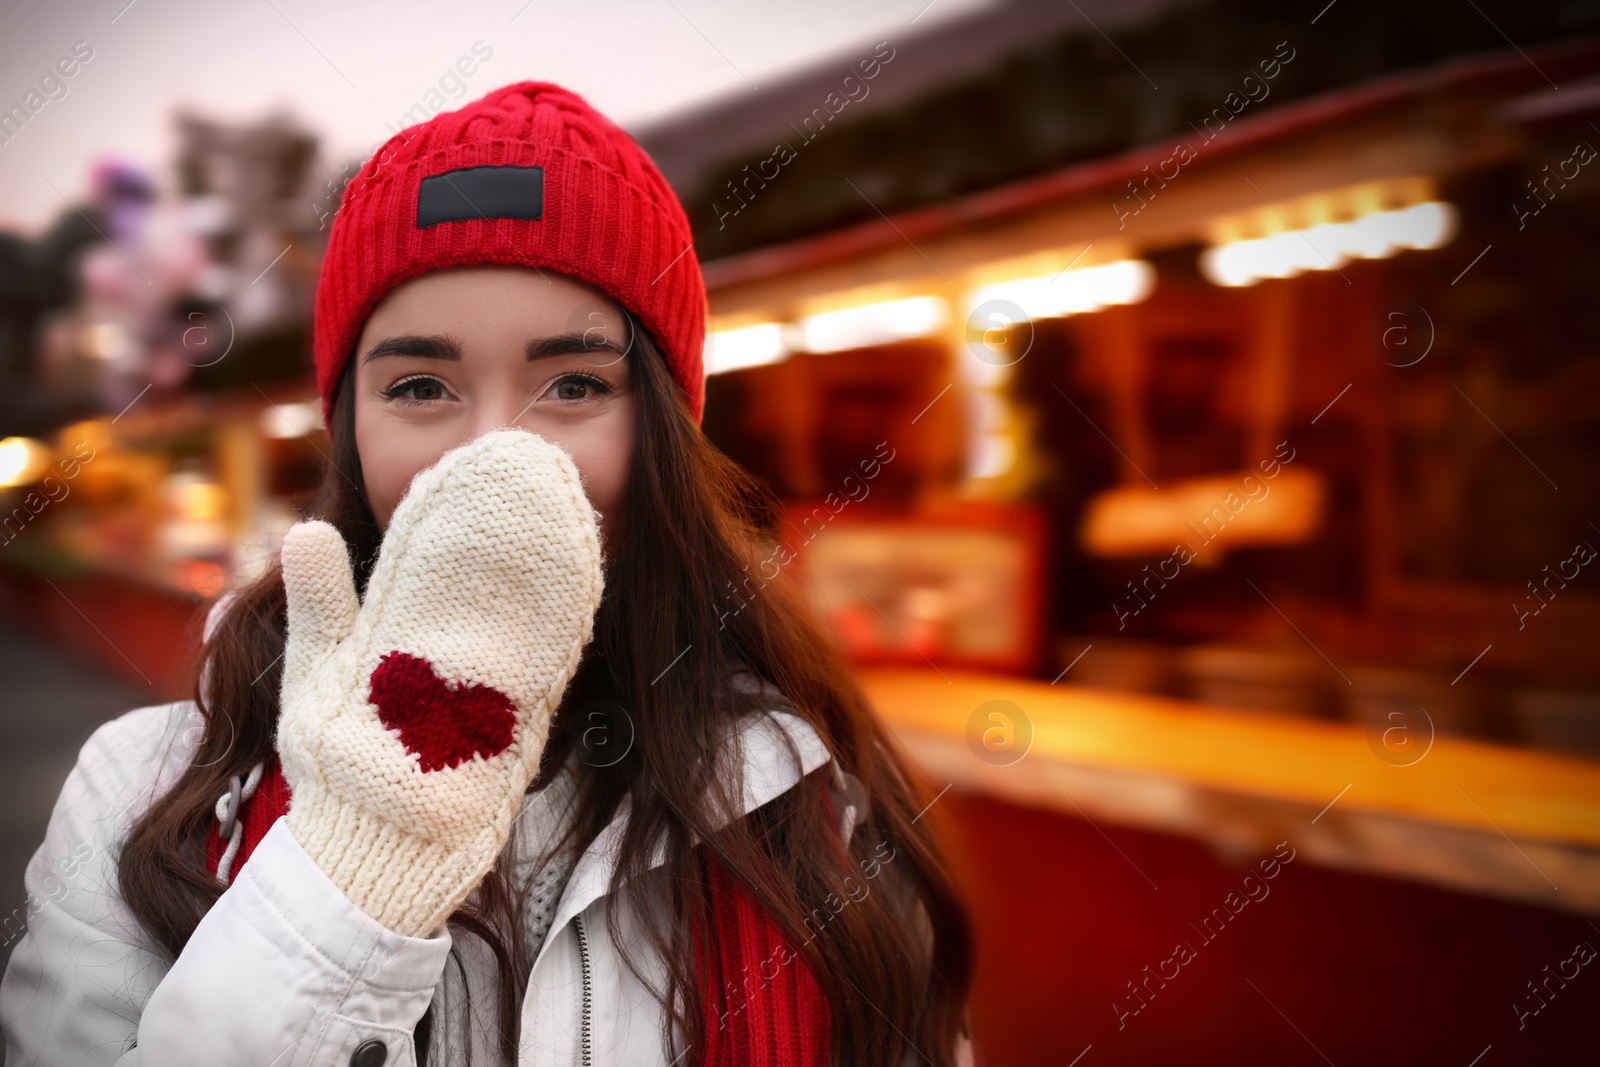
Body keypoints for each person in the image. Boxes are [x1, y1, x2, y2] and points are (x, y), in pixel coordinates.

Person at [0, 81, 973, 1066]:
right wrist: (355, 868)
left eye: (576, 384)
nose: (494, 453)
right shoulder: (146, 792)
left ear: (666, 434)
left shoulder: (810, 797)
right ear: (349, 430)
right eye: (420, 386)